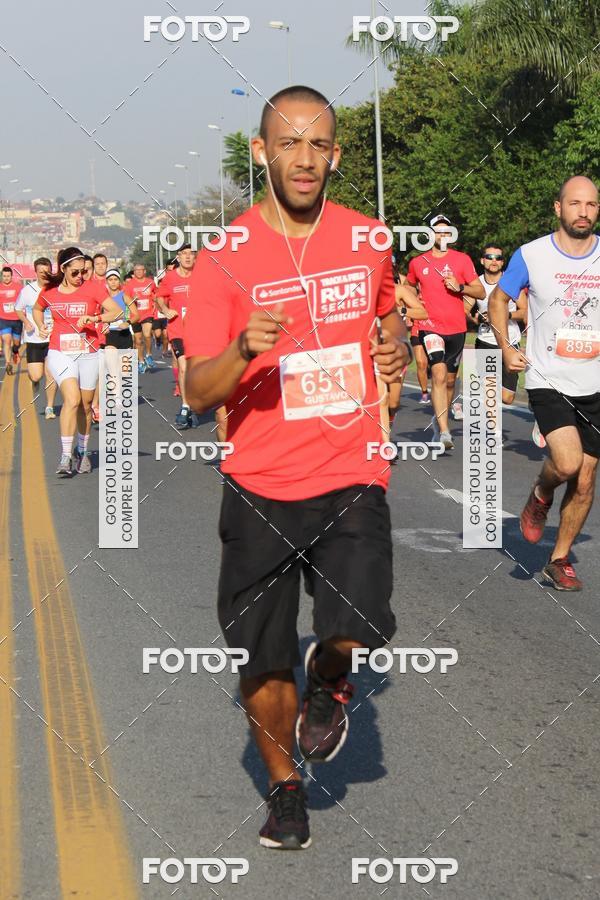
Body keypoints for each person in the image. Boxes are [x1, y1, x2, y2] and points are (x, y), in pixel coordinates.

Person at [185, 85, 410, 850]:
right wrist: (243, 349)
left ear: (337, 155)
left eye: (319, 145)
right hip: (259, 488)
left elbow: (388, 313)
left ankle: (332, 678)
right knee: (263, 662)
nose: (305, 159)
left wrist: (397, 347)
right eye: (289, 143)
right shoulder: (224, 260)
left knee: (361, 625)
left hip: (352, 469)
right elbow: (194, 390)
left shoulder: (370, 239)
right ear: (261, 152)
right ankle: (285, 789)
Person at [489, 175, 600, 592]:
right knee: (568, 463)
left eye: (591, 205)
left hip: (596, 381)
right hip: (548, 376)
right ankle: (540, 491)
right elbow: (498, 299)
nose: (583, 212)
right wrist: (504, 347)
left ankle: (559, 560)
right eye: (575, 204)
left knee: (586, 481)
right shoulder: (531, 255)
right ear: (558, 208)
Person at [33, 247, 122, 476]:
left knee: (85, 404)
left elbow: (117, 311)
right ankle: (64, 456)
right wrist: (40, 325)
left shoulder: (93, 288)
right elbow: (37, 308)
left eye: (83, 271)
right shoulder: (50, 290)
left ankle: (82, 450)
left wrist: (95, 317)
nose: (80, 276)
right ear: (63, 269)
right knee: (71, 399)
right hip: (60, 351)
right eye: (75, 272)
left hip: (89, 351)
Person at [407, 216, 485, 450]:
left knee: (450, 380)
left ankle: (439, 420)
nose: (441, 236)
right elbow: (409, 285)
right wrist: (413, 304)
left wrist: (460, 287)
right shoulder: (418, 262)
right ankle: (444, 431)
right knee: (438, 375)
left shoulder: (462, 260)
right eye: (437, 232)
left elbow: (480, 291)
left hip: (457, 329)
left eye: (445, 232)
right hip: (430, 327)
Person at [471, 243, 528, 406]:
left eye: (498, 258)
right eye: (489, 257)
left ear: (503, 262)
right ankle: (491, 428)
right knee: (489, 390)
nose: (494, 261)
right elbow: (465, 310)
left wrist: (503, 315)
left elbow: (524, 311)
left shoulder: (511, 282)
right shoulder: (476, 284)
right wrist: (478, 318)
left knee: (507, 398)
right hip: (486, 341)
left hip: (511, 341)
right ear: (482, 261)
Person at [155, 244, 196, 427]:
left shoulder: (202, 275)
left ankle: (196, 399)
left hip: (200, 330)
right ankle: (186, 405)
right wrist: (165, 309)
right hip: (178, 330)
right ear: (178, 257)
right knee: (184, 366)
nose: (188, 257)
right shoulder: (170, 277)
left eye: (191, 254)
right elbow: (158, 298)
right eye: (184, 254)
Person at [14, 257, 57, 418]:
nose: (44, 275)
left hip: (53, 338)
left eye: (47, 272)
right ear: (36, 272)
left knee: (51, 373)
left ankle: (49, 407)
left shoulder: (56, 289)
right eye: (41, 272)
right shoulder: (27, 291)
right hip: (34, 339)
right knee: (36, 375)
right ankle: (34, 380)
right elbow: (18, 308)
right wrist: (26, 322)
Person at [126, 263, 157, 372]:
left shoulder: (150, 282)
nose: (139, 272)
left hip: (147, 313)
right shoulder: (129, 285)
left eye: (141, 270)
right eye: (136, 270)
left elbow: (156, 295)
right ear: (134, 272)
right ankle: (141, 361)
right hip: (135, 315)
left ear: (144, 271)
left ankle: (148, 354)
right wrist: (133, 299)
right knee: (138, 340)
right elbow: (126, 299)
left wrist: (155, 305)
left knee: (147, 335)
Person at [0, 266, 23, 375]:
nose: (6, 278)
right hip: (3, 319)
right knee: (7, 340)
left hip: (17, 319)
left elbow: (23, 301)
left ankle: (15, 351)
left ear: (11, 276)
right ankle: (8, 363)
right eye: (4, 276)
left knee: (16, 343)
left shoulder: (18, 287)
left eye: (8, 276)